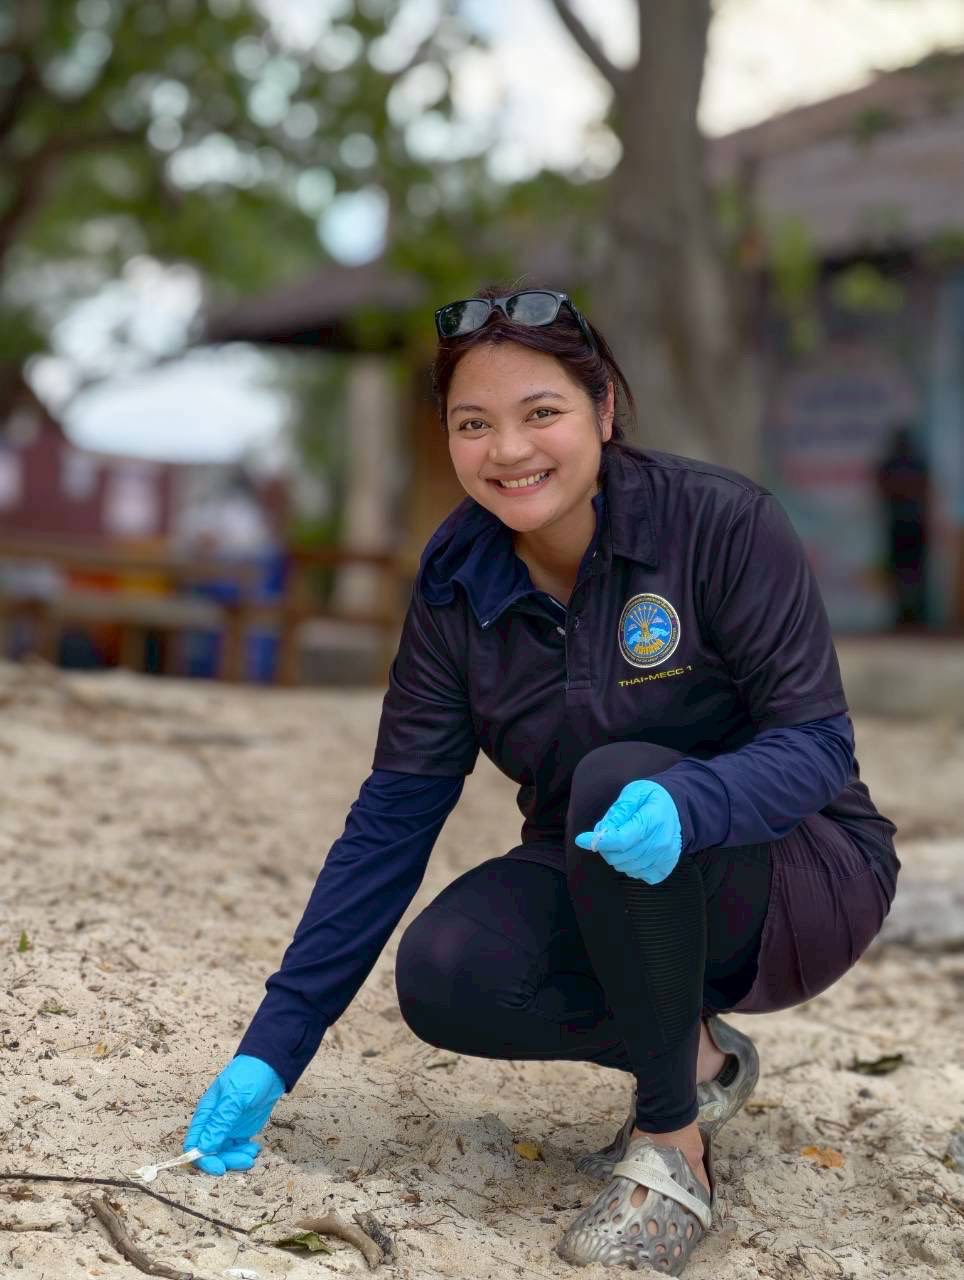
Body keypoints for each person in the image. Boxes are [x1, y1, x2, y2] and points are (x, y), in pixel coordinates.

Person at [184, 286, 900, 1274]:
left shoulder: (719, 521)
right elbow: (395, 814)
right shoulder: (455, 580)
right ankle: (695, 1056)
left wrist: (694, 800)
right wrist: (275, 1042)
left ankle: (671, 1151)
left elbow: (816, 743)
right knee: (446, 970)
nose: (508, 450)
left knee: (615, 780)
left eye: (541, 412)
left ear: (602, 410)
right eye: (473, 423)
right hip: (601, 875)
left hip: (795, 876)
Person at [875, 425, 930, 627]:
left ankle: (916, 613)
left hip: (914, 523)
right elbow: (882, 487)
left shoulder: (917, 464)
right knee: (898, 571)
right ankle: (902, 613)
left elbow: (925, 490)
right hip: (898, 523)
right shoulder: (891, 464)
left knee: (915, 571)